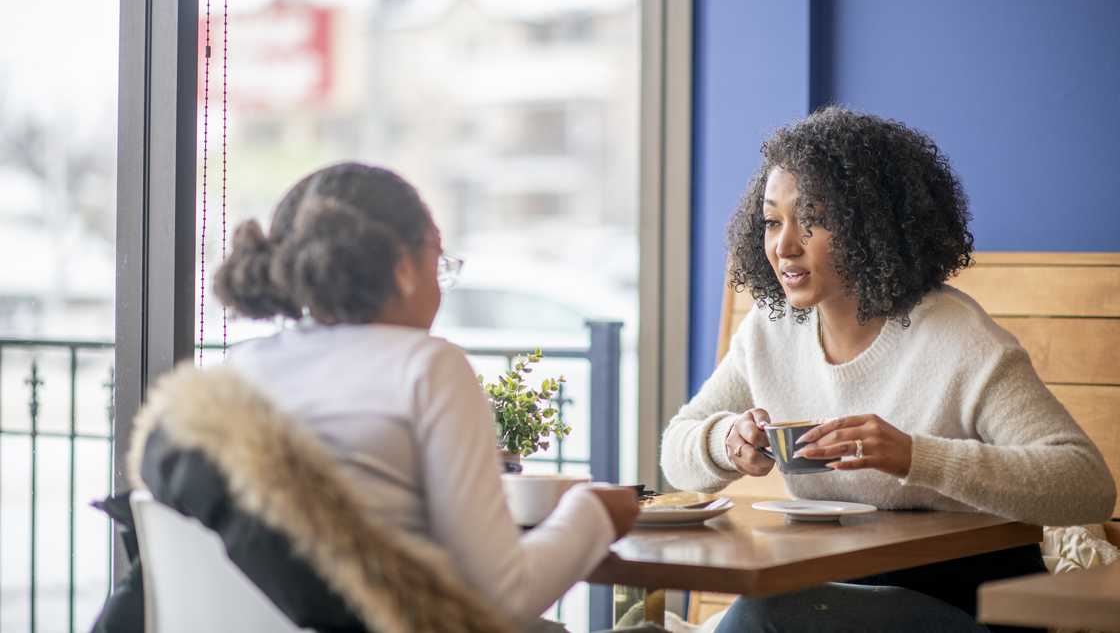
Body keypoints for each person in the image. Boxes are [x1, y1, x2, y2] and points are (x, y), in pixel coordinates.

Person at [660, 107, 1117, 632]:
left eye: (813, 220)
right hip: (838, 594)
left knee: (761, 617)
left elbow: (1087, 484)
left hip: (972, 607)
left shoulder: (954, 336)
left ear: (871, 226)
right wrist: (727, 441)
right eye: (771, 220)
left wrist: (916, 456)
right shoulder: (771, 329)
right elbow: (678, 451)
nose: (783, 245)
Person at [213, 162, 641, 632]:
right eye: (438, 260)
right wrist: (595, 513)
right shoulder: (426, 367)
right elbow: (502, 596)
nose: (440, 283)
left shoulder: (237, 369)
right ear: (402, 266)